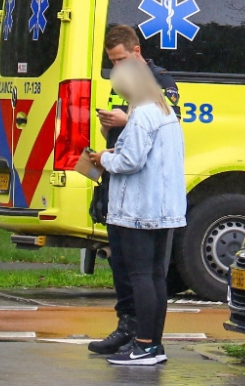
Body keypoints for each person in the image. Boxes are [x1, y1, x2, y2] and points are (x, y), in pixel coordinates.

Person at [87, 25, 179, 356]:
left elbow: (140, 150)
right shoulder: (140, 102)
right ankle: (133, 330)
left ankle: (145, 341)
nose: (118, 69)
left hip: (140, 198)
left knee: (143, 274)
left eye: (122, 60)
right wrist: (110, 129)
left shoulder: (159, 85)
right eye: (113, 62)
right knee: (127, 269)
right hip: (127, 191)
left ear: (136, 52)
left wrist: (109, 156)